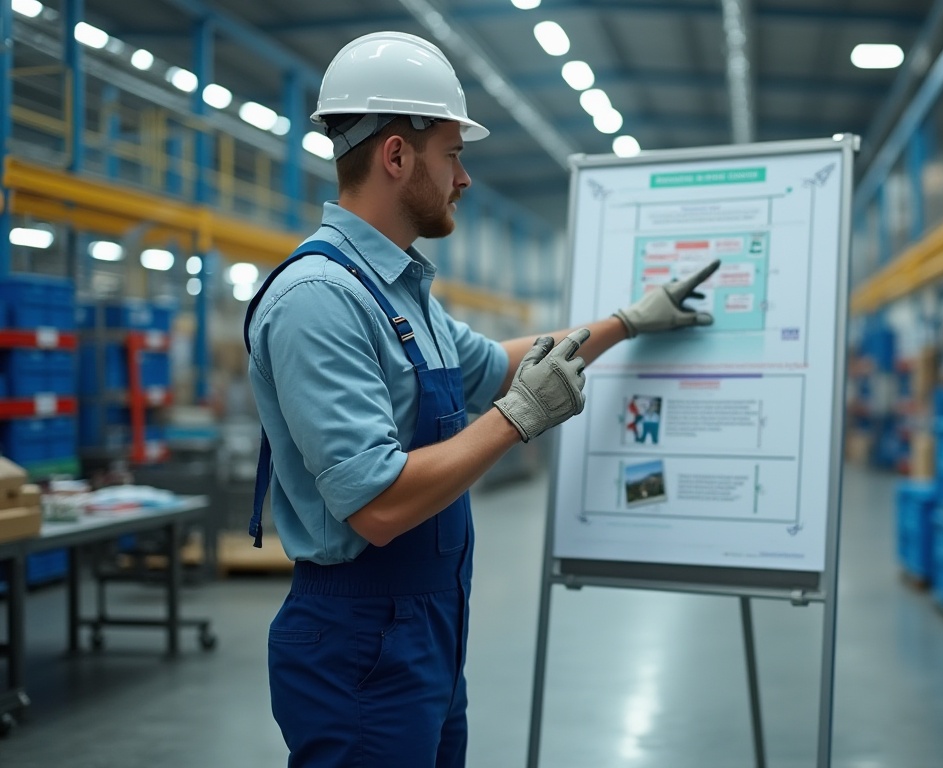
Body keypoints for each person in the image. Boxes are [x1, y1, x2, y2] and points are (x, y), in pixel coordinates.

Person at [243, 31, 719, 768]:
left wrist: (628, 321)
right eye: (454, 155)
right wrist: (518, 420)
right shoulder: (320, 300)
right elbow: (377, 506)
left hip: (426, 624)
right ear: (397, 156)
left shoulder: (398, 290)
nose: (463, 179)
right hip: (361, 637)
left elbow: (496, 365)